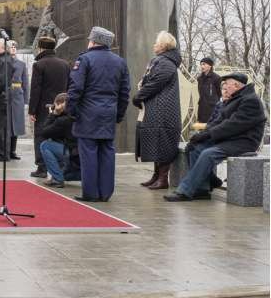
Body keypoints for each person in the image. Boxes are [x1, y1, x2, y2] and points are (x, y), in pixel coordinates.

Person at [165, 73, 267, 202]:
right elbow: (218, 121)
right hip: (229, 138)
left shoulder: (250, 100)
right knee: (195, 148)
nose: (224, 88)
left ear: (236, 85)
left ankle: (185, 190)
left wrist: (208, 134)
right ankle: (202, 189)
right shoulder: (235, 98)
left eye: (227, 85)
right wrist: (202, 135)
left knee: (208, 154)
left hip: (244, 141)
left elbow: (233, 125)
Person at [66, 26, 130, 202]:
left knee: (88, 153)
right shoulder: (119, 62)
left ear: (93, 41)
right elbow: (125, 92)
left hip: (87, 114)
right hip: (109, 114)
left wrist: (71, 111)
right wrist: (119, 115)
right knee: (107, 153)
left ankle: (91, 193)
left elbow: (76, 89)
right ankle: (105, 193)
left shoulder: (85, 60)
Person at [132, 31, 182, 190]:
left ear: (164, 45)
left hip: (164, 110)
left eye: (156, 42)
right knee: (156, 141)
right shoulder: (161, 61)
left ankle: (163, 179)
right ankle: (156, 176)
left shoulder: (166, 63)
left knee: (163, 142)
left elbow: (155, 83)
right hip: (157, 108)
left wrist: (138, 97)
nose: (154, 45)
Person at [29, 36, 70, 176]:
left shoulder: (39, 64)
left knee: (41, 135)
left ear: (40, 47)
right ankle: (60, 166)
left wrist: (32, 110)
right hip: (62, 107)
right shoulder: (64, 64)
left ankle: (42, 167)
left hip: (43, 108)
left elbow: (35, 89)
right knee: (59, 136)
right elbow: (69, 87)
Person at [38, 93, 77, 188]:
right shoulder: (74, 115)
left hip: (71, 155)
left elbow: (43, 132)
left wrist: (53, 113)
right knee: (54, 143)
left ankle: (57, 179)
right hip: (77, 156)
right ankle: (62, 175)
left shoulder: (63, 120)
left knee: (45, 145)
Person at [3, 41, 29, 162]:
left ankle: (13, 151)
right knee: (7, 124)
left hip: (18, 94)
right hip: (6, 93)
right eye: (11, 47)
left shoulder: (22, 64)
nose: (13, 49)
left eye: (15, 47)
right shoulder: (4, 62)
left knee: (17, 124)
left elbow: (25, 82)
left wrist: (26, 100)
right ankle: (5, 151)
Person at [196, 57, 221, 123]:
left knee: (212, 128)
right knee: (202, 129)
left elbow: (220, 93)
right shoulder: (199, 78)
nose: (202, 66)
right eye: (201, 64)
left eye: (204, 64)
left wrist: (214, 102)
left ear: (210, 66)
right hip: (202, 108)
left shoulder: (216, 78)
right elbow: (200, 92)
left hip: (213, 108)